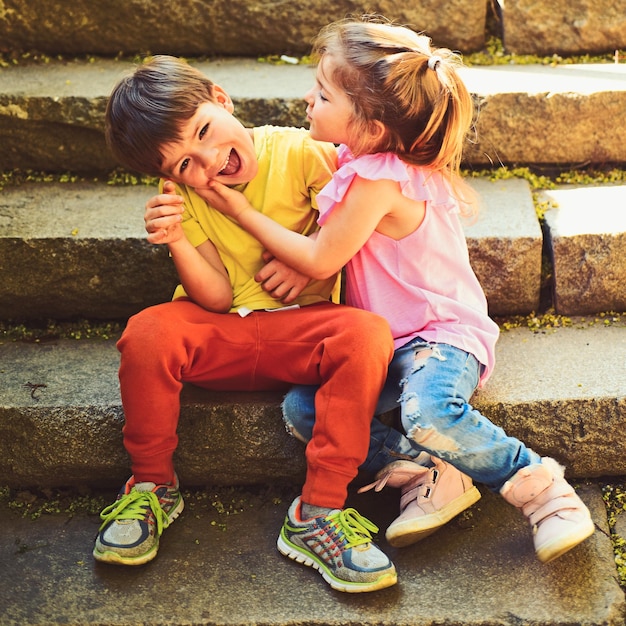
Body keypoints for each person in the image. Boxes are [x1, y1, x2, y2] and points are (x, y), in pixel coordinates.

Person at [197, 16, 596, 564]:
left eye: (322, 93)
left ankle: (543, 491)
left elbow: (322, 255)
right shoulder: (354, 161)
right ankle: (431, 471)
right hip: (383, 343)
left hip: (439, 336)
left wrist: (241, 211)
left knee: (428, 410)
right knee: (303, 411)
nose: (307, 101)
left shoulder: (380, 179)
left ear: (369, 125)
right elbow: (326, 242)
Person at [93, 53, 441, 594]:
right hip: (223, 332)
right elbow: (214, 295)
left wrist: (307, 257)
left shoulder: (302, 152)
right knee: (148, 331)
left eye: (205, 132)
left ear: (221, 97)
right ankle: (151, 484)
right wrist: (179, 240)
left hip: (305, 330)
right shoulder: (184, 197)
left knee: (366, 334)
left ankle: (318, 512)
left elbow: (354, 228)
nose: (208, 162)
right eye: (184, 163)